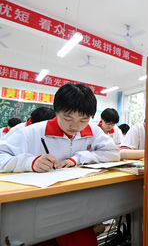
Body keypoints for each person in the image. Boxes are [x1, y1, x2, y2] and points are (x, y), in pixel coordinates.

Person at [0, 83, 120, 246]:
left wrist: (77, 159)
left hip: (77, 207)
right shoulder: (33, 132)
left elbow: (113, 153)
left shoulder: (93, 131)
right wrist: (30, 162)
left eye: (83, 119)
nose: (75, 126)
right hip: (37, 208)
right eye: (68, 118)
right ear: (56, 111)